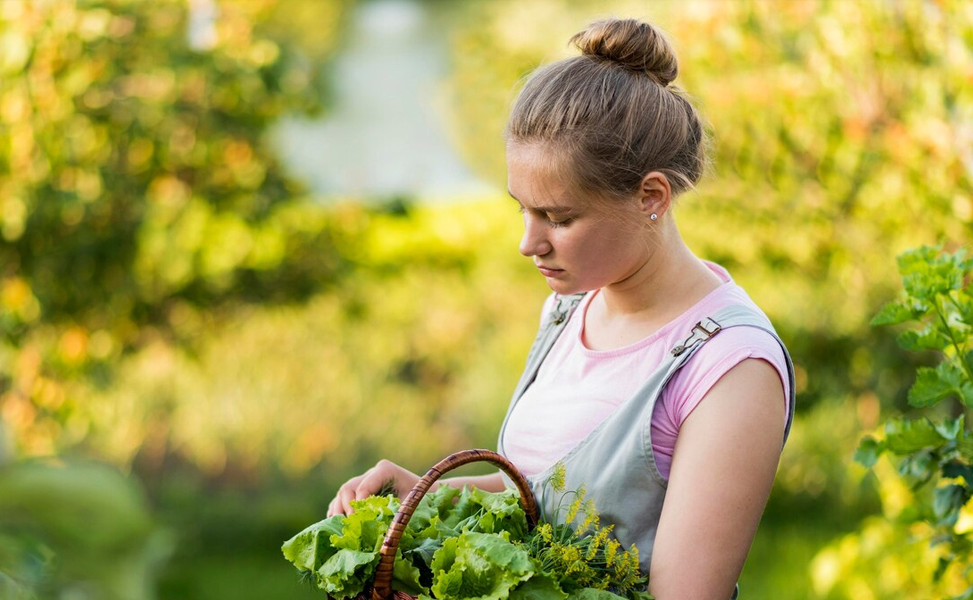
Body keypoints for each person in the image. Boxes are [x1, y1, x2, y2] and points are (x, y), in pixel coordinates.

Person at [326, 17, 794, 600]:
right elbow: (545, 498)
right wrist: (428, 492)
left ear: (651, 196)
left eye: (559, 218)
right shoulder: (569, 309)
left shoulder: (730, 368)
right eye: (522, 209)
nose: (529, 242)